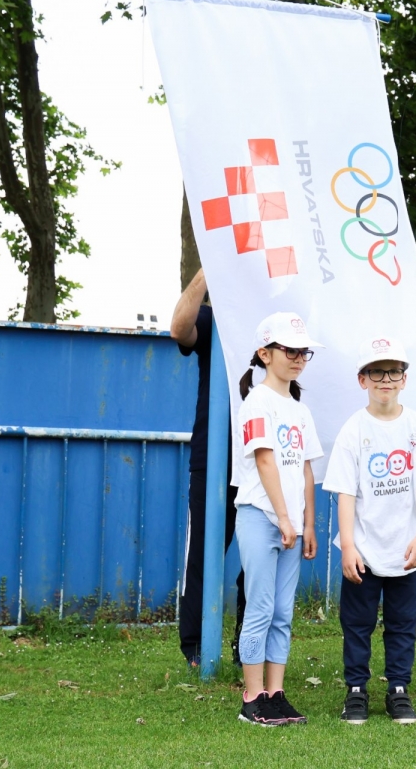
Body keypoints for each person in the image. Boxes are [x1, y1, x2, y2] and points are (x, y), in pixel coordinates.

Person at [323, 336, 416, 725]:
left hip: (406, 548)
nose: (386, 379)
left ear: (404, 379)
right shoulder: (353, 430)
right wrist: (347, 545)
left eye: (394, 371)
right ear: (363, 379)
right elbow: (345, 492)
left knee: (402, 624)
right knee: (357, 623)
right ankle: (356, 691)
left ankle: (398, 691)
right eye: (377, 371)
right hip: (363, 549)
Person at [233, 312, 322, 726]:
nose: (298, 357)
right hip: (260, 516)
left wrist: (307, 525)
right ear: (265, 353)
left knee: (283, 610)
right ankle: (251, 698)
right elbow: (265, 459)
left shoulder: (299, 410)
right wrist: (284, 519)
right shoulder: (256, 403)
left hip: (292, 525)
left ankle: (276, 693)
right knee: (261, 606)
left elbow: (305, 470)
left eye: (303, 351)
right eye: (289, 350)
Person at [169, 268, 245, 668]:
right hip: (213, 458)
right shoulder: (216, 320)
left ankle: (249, 647)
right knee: (203, 551)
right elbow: (178, 328)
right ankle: (196, 646)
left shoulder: (282, 330)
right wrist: (207, 272)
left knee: (261, 556)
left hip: (267, 460)